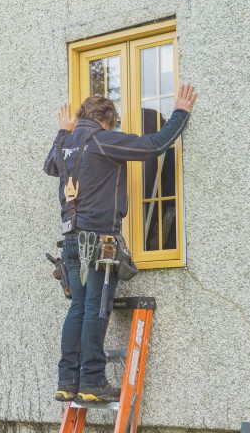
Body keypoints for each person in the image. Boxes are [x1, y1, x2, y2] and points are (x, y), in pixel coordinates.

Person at [44, 83, 198, 403]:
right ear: (108, 120)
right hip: (99, 241)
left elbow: (50, 166)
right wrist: (180, 112)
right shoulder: (103, 141)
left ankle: (67, 381)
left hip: (71, 241)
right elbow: (154, 145)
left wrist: (62, 131)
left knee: (77, 308)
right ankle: (92, 382)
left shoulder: (66, 144)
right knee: (95, 310)